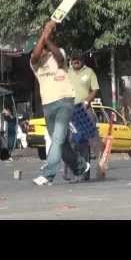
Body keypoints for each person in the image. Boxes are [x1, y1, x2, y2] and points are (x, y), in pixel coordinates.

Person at [30, 20, 90, 186]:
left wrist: (47, 37)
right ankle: (80, 167)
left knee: (57, 139)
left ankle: (48, 175)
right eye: (39, 47)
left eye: (42, 48)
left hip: (65, 101)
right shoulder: (34, 63)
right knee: (61, 144)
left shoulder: (58, 54)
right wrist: (45, 33)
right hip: (48, 105)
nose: (40, 51)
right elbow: (35, 55)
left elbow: (58, 55)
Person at [67, 49, 104, 181]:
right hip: (69, 110)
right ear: (71, 60)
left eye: (78, 59)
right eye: (73, 59)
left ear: (82, 60)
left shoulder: (89, 72)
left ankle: (84, 173)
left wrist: (87, 100)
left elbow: (95, 89)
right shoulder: (66, 72)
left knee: (83, 141)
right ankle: (71, 173)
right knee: (70, 142)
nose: (76, 61)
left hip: (84, 110)